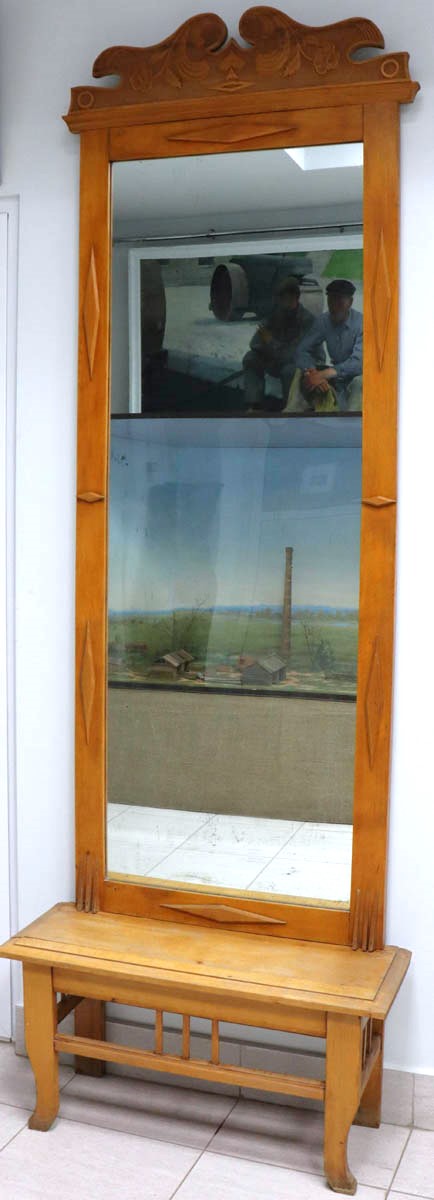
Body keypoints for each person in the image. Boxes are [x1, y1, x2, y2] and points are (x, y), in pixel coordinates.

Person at [284, 278, 363, 412]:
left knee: (359, 382)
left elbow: (358, 364)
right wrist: (311, 372)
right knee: (301, 372)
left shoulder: (361, 323)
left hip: (356, 376)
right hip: (335, 377)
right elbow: (302, 351)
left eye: (340, 301)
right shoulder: (323, 321)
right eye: (331, 300)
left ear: (350, 302)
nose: (334, 306)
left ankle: (352, 420)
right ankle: (292, 412)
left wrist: (323, 375)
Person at [242, 276, 316, 411]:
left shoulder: (307, 320)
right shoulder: (276, 315)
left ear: (295, 298)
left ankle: (290, 410)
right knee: (250, 358)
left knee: (289, 370)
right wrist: (268, 347)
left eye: (285, 299)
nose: (282, 303)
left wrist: (270, 342)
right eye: (280, 299)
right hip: (277, 360)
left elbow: (292, 355)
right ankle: (254, 406)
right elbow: (255, 343)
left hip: (305, 365)